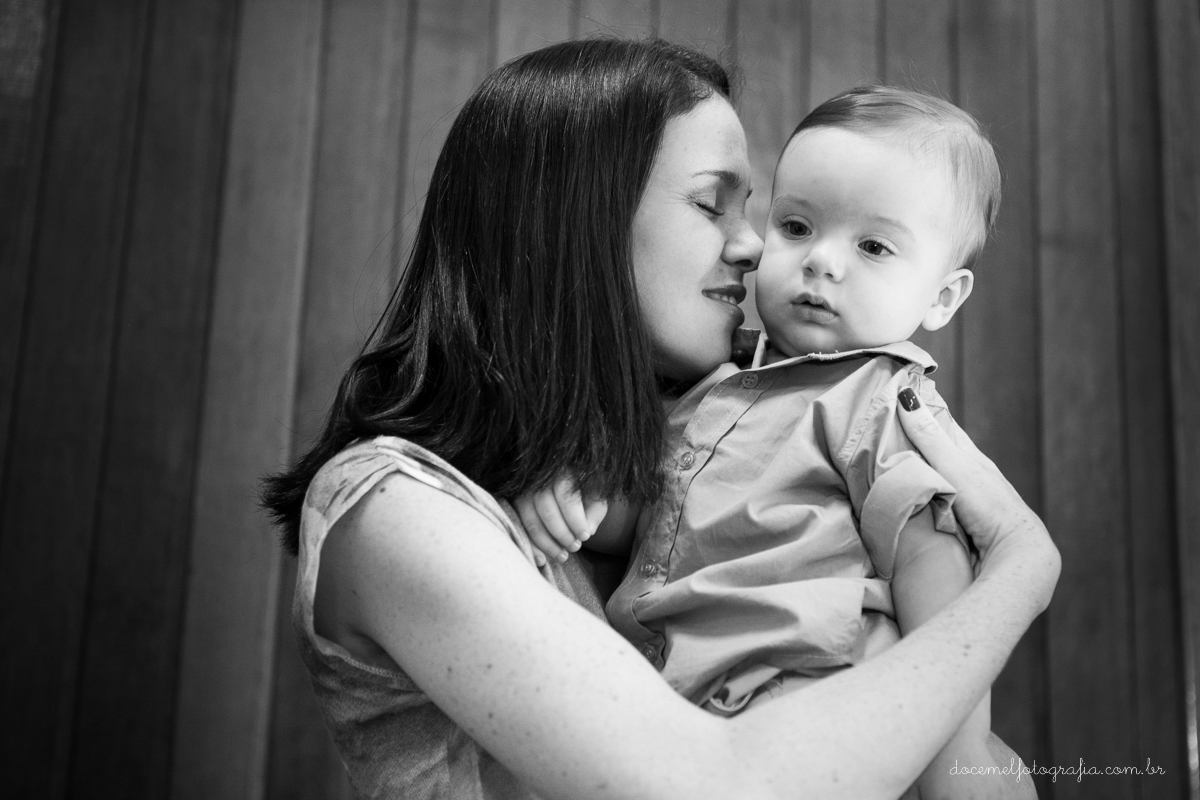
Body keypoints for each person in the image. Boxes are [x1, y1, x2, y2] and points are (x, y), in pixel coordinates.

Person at [261, 39, 1059, 800]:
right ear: (579, 219)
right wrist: (1021, 570)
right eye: (715, 205)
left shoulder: (847, 397)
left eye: (753, 213)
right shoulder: (393, 505)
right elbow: (719, 780)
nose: (754, 248)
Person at [520, 86, 1017, 799]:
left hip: (810, 703)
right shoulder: (710, 378)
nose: (822, 262)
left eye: (873, 246)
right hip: (676, 712)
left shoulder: (883, 401)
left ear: (942, 297)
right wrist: (570, 486)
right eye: (796, 226)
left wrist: (961, 759)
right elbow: (647, 520)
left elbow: (935, 572)